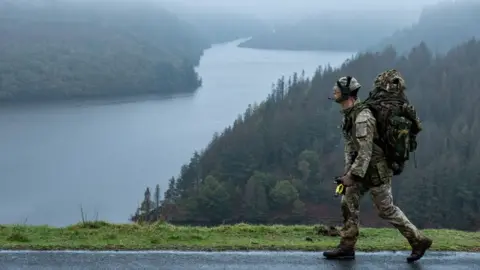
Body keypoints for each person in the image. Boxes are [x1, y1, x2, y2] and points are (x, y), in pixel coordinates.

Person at [322, 73, 432, 263]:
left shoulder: (363, 117)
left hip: (377, 171)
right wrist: (348, 174)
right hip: (362, 170)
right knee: (348, 201)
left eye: (337, 89)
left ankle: (419, 240)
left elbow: (365, 151)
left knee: (386, 210)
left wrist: (351, 175)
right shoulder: (350, 115)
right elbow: (352, 148)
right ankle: (347, 246)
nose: (334, 91)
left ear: (347, 94)